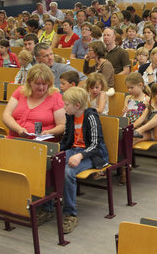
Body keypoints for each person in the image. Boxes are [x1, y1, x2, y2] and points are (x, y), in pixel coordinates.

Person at [60, 86, 108, 234]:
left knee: (68, 172)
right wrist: (57, 150)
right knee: (51, 163)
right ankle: (48, 206)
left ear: (77, 106)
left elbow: (94, 145)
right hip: (75, 150)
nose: (64, 107)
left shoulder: (91, 117)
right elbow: (67, 138)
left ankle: (70, 214)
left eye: (66, 104)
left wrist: (80, 156)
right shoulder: (70, 116)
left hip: (92, 155)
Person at [3, 63, 66, 139]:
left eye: (44, 84)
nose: (41, 87)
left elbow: (62, 125)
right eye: (37, 84)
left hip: (41, 143)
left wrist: (50, 132)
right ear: (30, 82)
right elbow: (6, 115)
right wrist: (18, 129)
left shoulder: (56, 97)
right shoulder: (20, 91)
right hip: (14, 138)